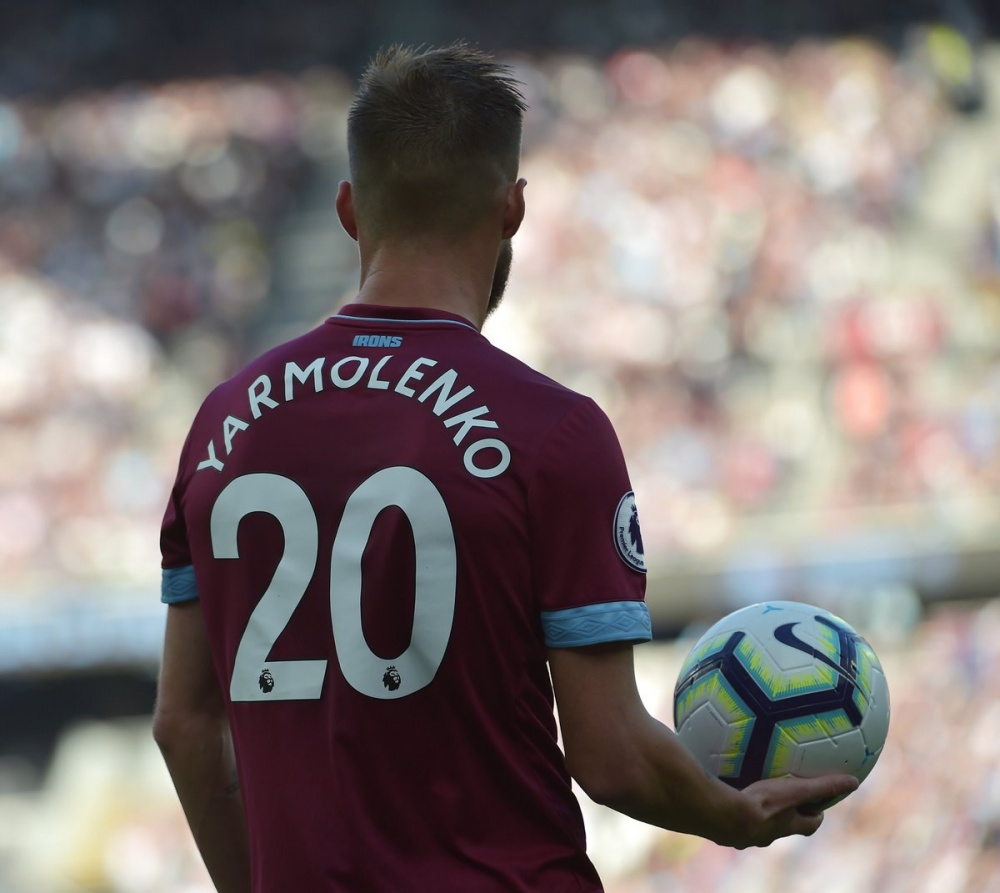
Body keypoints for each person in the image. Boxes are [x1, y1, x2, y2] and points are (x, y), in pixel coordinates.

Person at [152, 42, 858, 893]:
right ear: (513, 208)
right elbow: (611, 756)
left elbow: (183, 724)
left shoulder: (224, 423)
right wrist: (731, 816)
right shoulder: (554, 431)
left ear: (347, 209)